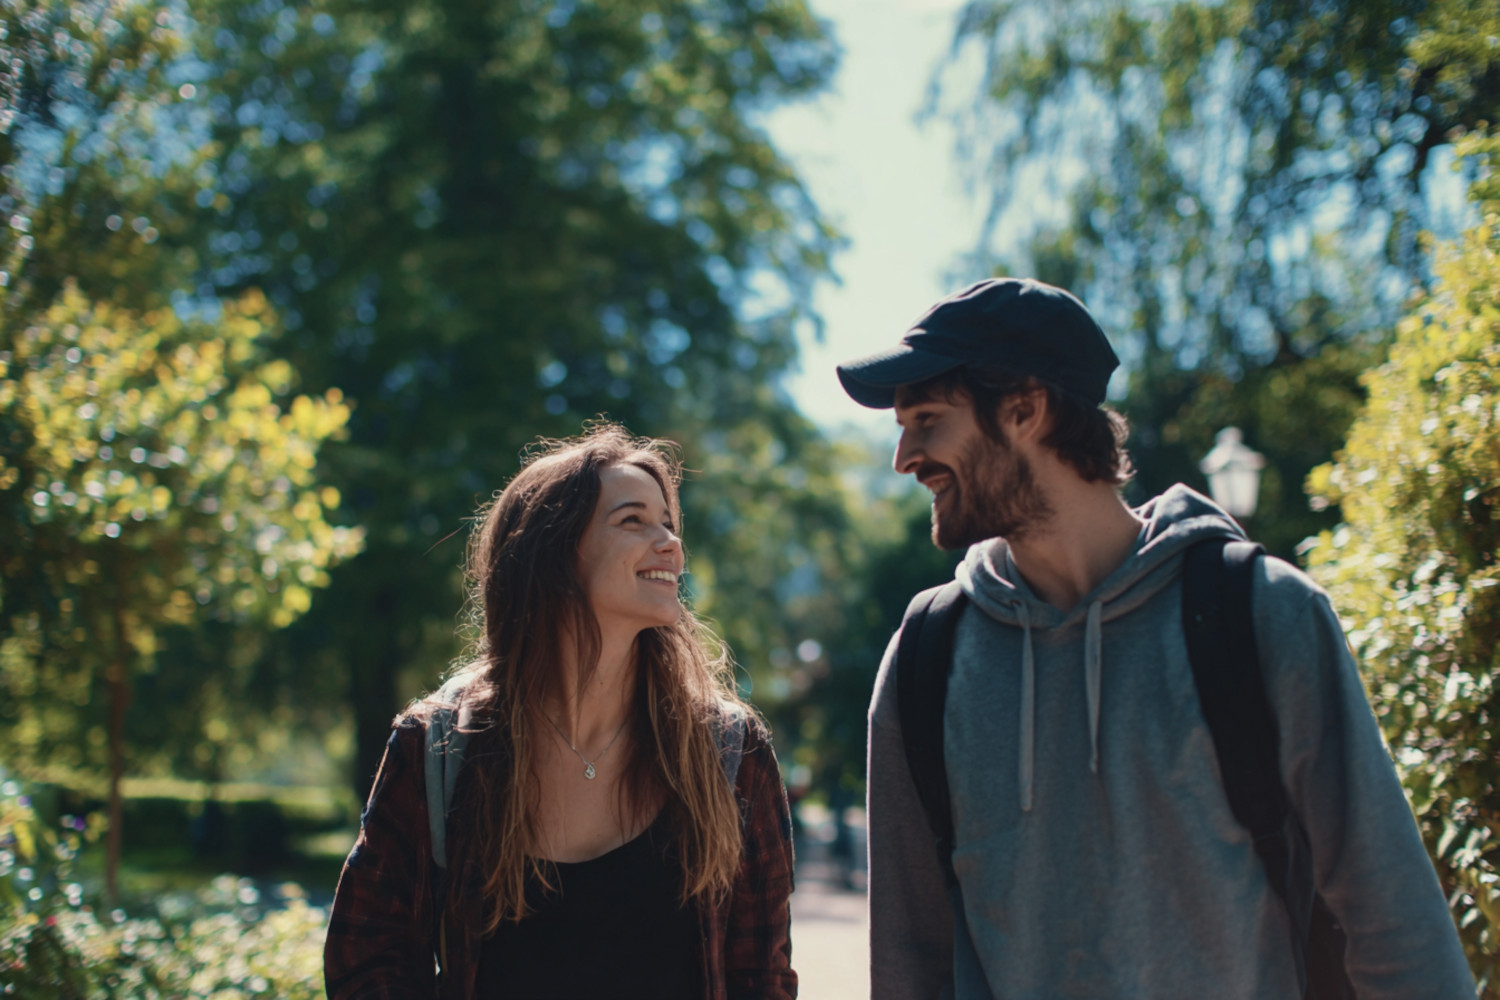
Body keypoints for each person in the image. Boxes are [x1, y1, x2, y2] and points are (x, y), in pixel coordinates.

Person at [836, 277, 1476, 999]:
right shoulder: (928, 657)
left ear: (1024, 408)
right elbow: (909, 959)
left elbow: (1395, 920)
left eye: (925, 419)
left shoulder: (1263, 616)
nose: (904, 457)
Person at [323, 424, 797, 1000]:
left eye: (668, 524)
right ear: (552, 552)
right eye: (633, 521)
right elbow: (367, 955)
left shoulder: (730, 751)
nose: (671, 544)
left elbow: (760, 976)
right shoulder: (438, 747)